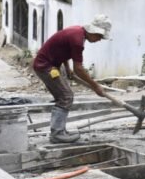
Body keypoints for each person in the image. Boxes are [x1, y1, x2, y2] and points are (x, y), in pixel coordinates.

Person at [33, 14, 112, 143]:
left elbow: (63, 50)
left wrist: (67, 68)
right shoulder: (78, 40)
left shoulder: (78, 31)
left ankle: (60, 130)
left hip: (49, 65)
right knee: (66, 97)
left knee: (63, 97)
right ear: (94, 31)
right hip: (46, 67)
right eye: (99, 36)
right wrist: (95, 85)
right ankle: (57, 134)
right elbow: (79, 69)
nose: (99, 40)